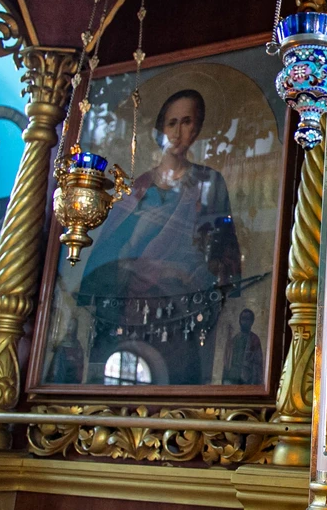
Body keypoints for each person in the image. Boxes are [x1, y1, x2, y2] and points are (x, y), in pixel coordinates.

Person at [80, 89, 241, 385]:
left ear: (197, 127)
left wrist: (196, 273)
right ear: (160, 129)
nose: (178, 133)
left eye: (187, 122)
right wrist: (136, 246)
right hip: (133, 307)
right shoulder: (139, 187)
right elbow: (111, 253)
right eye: (171, 123)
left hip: (181, 309)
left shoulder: (209, 182)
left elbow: (221, 250)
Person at [226, 308, 264, 385]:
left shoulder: (254, 339)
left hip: (248, 378)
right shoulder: (235, 339)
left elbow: (258, 363)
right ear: (240, 321)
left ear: (252, 322)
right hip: (234, 378)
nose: (245, 322)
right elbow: (229, 360)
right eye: (243, 319)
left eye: (248, 319)